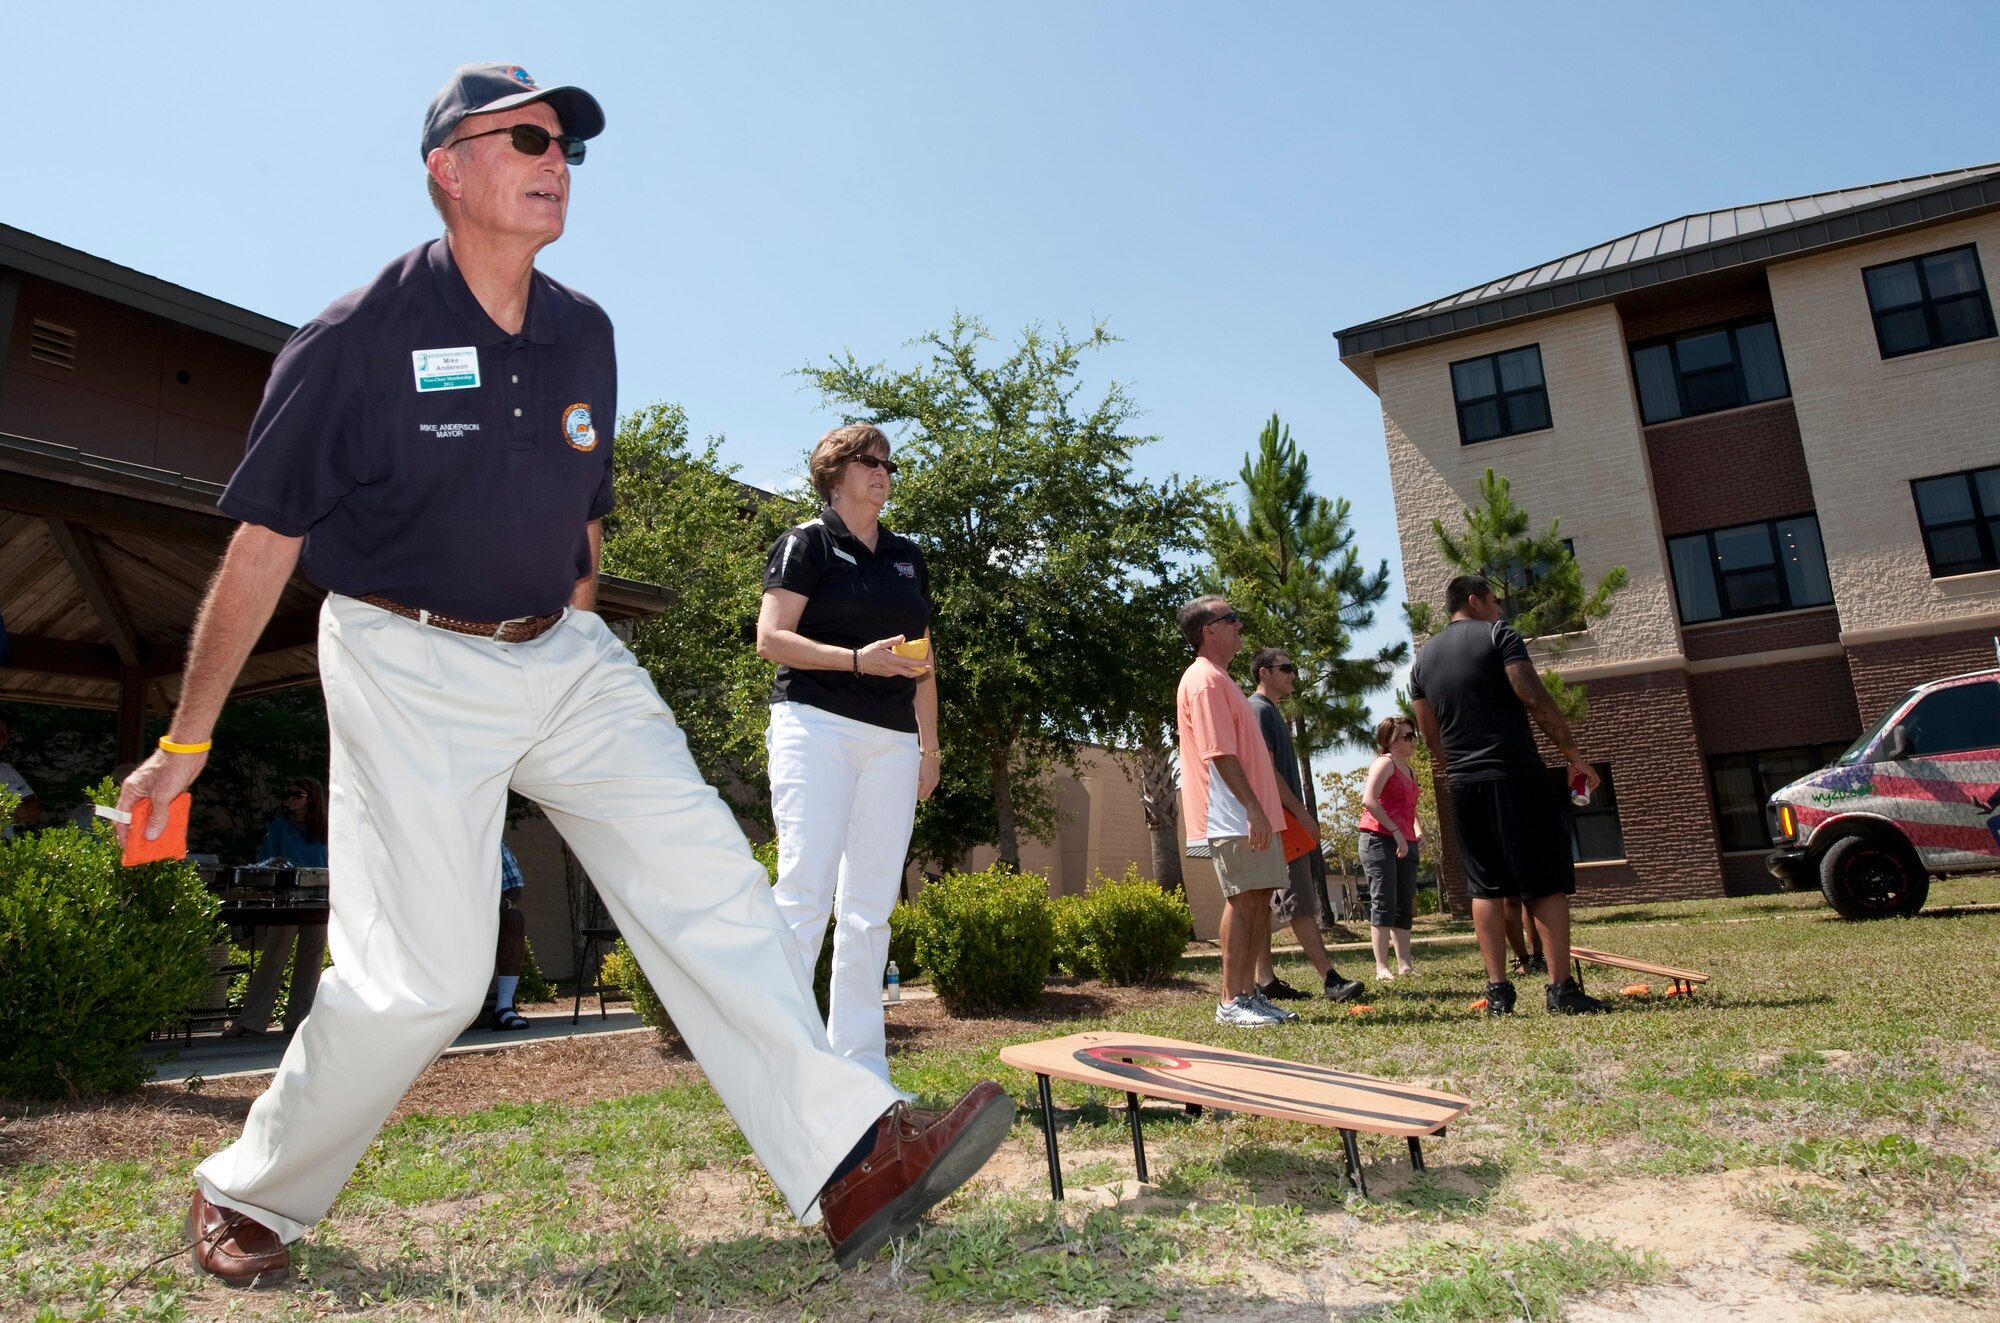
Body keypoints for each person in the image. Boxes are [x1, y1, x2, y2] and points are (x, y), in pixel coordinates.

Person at [116, 62, 1010, 1289]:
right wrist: (188, 739)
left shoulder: (585, 330)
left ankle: (851, 1161)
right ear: (448, 167)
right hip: (402, 653)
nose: (556, 161)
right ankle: (251, 1190)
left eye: (569, 146)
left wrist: (571, 629)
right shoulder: (354, 341)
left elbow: (582, 517)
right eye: (528, 139)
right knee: (420, 978)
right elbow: (264, 542)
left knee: (709, 882)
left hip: (563, 653)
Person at [757, 424, 937, 1085]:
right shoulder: (806, 543)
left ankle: (860, 1069)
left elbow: (924, 658)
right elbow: (771, 638)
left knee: (868, 909)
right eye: (870, 460)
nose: (883, 471)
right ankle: (782, 1067)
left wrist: (929, 746)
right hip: (814, 728)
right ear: (835, 472)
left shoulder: (908, 556)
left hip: (891, 741)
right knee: (804, 892)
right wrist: (856, 660)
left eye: (889, 462)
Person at [1408, 575, 1607, 1016]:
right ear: (1474, 601)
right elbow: (1532, 696)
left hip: (1463, 783)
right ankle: (1561, 990)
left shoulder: (1421, 663)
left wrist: (1455, 768)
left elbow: (1428, 732)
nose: (1501, 610)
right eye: (1495, 601)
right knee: (1546, 883)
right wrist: (1573, 755)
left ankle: (1499, 991)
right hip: (1514, 775)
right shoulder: (1500, 635)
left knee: (1486, 887)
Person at [1178, 597, 1296, 1028]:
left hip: (1250, 813)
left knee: (1258, 900)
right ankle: (1231, 1001)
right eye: (1231, 619)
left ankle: (1249, 995)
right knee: (1243, 901)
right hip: (1232, 814)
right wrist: (1252, 808)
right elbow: (1219, 753)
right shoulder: (1205, 680)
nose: (1239, 624)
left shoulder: (1220, 678)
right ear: (1210, 630)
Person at [1243, 649, 1364, 1005]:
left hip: (1280, 821)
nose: (1294, 674)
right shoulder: (1259, 709)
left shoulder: (1269, 711)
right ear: (1264, 672)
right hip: (1282, 822)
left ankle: (1265, 981)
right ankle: (1330, 979)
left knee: (1266, 903)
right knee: (1300, 903)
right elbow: (1266, 772)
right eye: (1287, 668)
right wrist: (1302, 813)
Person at [225, 777, 331, 1037]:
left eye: (297, 794)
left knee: (311, 958)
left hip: (318, 900)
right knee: (273, 957)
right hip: (286, 900)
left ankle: (300, 1021)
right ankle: (251, 1020)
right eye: (288, 793)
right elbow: (267, 862)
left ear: (312, 799)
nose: (290, 798)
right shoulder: (280, 828)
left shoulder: (328, 829)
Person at [1357, 717, 1422, 981]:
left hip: (1404, 841)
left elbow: (1410, 808)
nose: (1413, 740)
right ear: (1392, 742)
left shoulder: (1409, 770)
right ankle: (1381, 967)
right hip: (1378, 838)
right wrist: (1395, 831)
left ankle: (1404, 964)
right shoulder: (1385, 763)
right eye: (1407, 736)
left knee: (1403, 902)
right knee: (1383, 900)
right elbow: (1369, 800)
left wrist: (1418, 833)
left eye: (1413, 734)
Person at [484, 841, 532, 1031]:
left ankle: (504, 1007)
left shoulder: (490, 834)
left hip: (484, 913)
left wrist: (504, 903)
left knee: (514, 918)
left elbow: (514, 886)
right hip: (440, 915)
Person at [0, 712, 42, 837]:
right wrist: (14, 810)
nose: (2, 738)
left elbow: (33, 810)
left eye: (4, 734)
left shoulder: (7, 771)